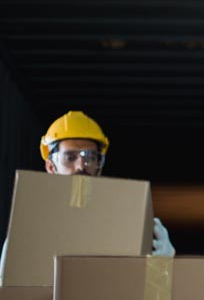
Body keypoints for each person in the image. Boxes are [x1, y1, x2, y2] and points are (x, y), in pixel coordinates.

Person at [0, 111, 174, 283]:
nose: (80, 166)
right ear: (51, 167)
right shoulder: (30, 229)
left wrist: (163, 265)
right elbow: (10, 294)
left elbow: (155, 298)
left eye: (90, 157)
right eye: (70, 157)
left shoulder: (126, 222)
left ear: (99, 166)